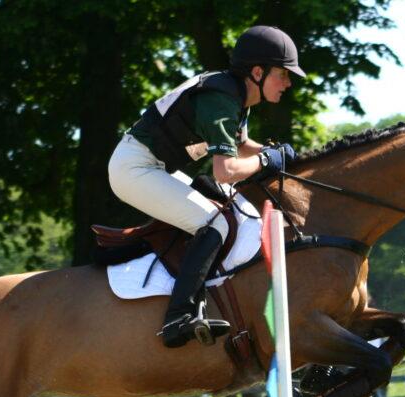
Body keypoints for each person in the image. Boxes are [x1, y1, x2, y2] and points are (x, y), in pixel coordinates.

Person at [108, 26, 305, 348]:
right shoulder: (221, 98)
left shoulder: (237, 97)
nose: (288, 83)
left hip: (154, 167)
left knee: (228, 213)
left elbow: (242, 146)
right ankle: (178, 317)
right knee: (213, 222)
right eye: (282, 74)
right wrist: (270, 161)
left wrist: (280, 153)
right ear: (257, 72)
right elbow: (226, 171)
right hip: (134, 168)